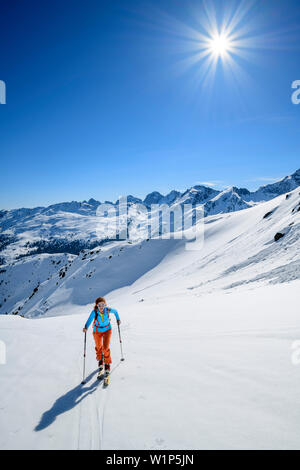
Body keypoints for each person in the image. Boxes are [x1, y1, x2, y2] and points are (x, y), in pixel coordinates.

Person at [83, 296, 120, 374]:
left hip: (107, 330)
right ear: (97, 305)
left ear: (105, 304)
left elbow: (116, 312)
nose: (101, 307)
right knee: (99, 347)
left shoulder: (108, 310)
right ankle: (100, 360)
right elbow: (89, 319)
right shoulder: (95, 312)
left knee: (105, 348)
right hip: (97, 331)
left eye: (103, 304)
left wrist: (118, 319)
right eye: (99, 305)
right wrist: (86, 327)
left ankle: (107, 363)